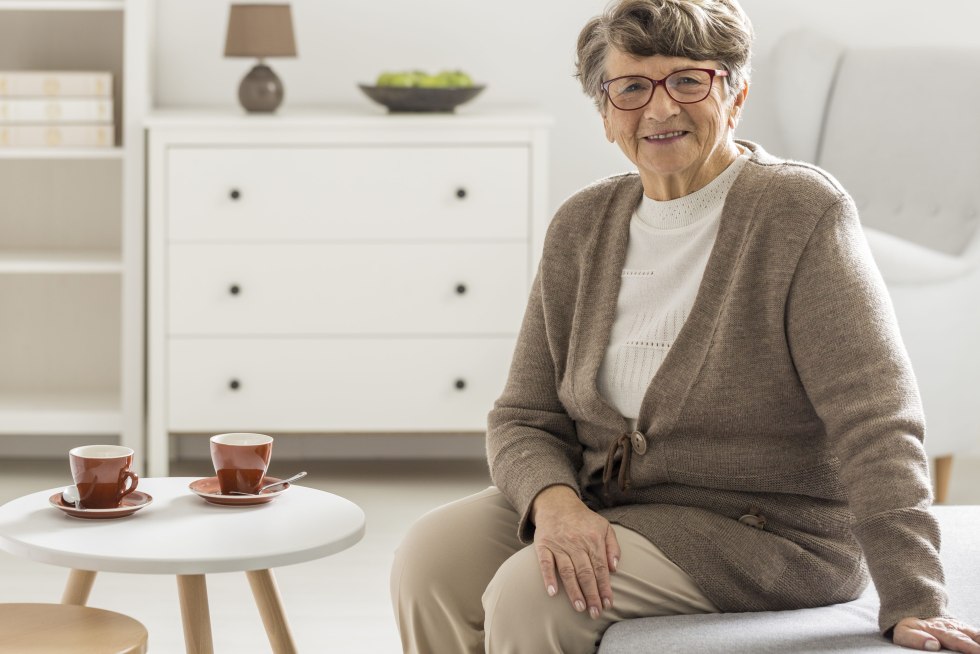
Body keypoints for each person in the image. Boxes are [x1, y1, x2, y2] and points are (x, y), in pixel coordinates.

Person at [390, 1, 980, 652]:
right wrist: (556, 505)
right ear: (605, 110)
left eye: (688, 81)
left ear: (735, 94)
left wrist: (915, 596)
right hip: (604, 498)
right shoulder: (582, 225)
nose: (661, 108)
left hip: (767, 532)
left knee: (538, 592)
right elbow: (524, 416)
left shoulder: (800, 212)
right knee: (431, 558)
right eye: (632, 87)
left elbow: (876, 419)